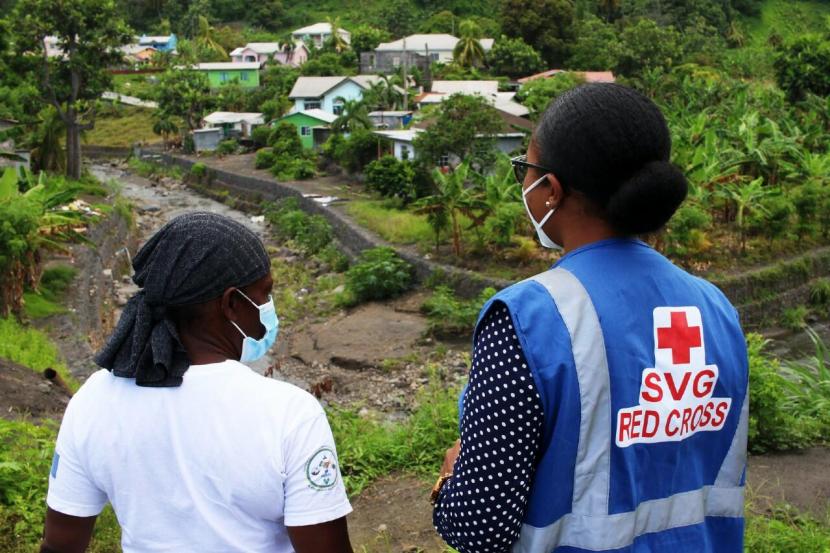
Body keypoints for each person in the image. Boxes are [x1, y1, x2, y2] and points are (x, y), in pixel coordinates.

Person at [432, 83, 748, 553]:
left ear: (550, 189)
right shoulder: (716, 308)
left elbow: (480, 527)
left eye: (526, 169)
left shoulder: (528, 318)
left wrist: (449, 477)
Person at [41, 212, 353, 553]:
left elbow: (59, 545)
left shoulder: (93, 401)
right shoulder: (290, 414)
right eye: (265, 295)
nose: (268, 308)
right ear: (232, 304)